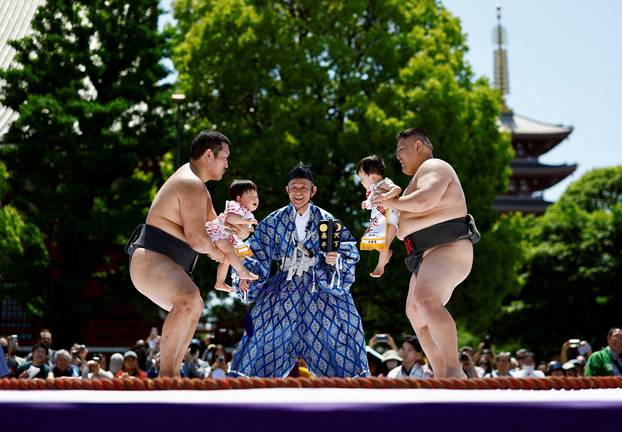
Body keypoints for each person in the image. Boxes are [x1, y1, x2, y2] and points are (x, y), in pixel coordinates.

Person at [229, 162, 369, 378]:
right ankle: (251, 397)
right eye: (294, 187)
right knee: (259, 332)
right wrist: (245, 274)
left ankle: (349, 397)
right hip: (283, 290)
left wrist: (336, 259)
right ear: (287, 189)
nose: (298, 192)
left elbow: (348, 250)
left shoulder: (327, 220)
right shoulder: (273, 222)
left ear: (313, 190)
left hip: (321, 290)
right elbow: (253, 251)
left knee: (343, 329)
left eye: (304, 188)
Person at [125, 130, 232, 377]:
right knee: (189, 298)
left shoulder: (199, 188)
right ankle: (166, 375)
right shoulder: (189, 183)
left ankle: (172, 373)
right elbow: (199, 240)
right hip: (152, 258)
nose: (227, 164)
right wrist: (218, 252)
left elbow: (217, 231)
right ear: (208, 154)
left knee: (194, 305)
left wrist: (242, 230)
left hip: (161, 260)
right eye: (224, 157)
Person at [380, 128, 480, 379]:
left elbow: (426, 201)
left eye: (401, 150)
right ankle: (441, 372)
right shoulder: (411, 185)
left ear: (419, 146)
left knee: (426, 300)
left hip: (448, 246)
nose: (398, 157)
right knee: (416, 312)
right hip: (424, 255)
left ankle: (454, 369)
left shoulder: (435, 166)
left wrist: (393, 203)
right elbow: (402, 226)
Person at [206, 179, 260, 291]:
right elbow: (230, 218)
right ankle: (242, 271)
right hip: (218, 232)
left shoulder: (247, 213)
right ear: (239, 198)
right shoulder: (235, 205)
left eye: (256, 196)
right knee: (229, 251)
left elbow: (243, 230)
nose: (255, 198)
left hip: (226, 236)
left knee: (226, 259)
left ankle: (219, 283)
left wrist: (248, 226)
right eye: (251, 195)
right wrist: (246, 222)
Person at [356, 155, 402, 277]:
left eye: (362, 178)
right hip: (378, 221)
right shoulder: (372, 191)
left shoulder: (383, 183)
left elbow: (397, 189)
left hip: (391, 219)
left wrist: (385, 196)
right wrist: (366, 203)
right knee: (371, 242)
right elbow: (374, 203)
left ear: (373, 176)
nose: (361, 182)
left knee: (383, 244)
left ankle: (380, 266)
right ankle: (386, 253)